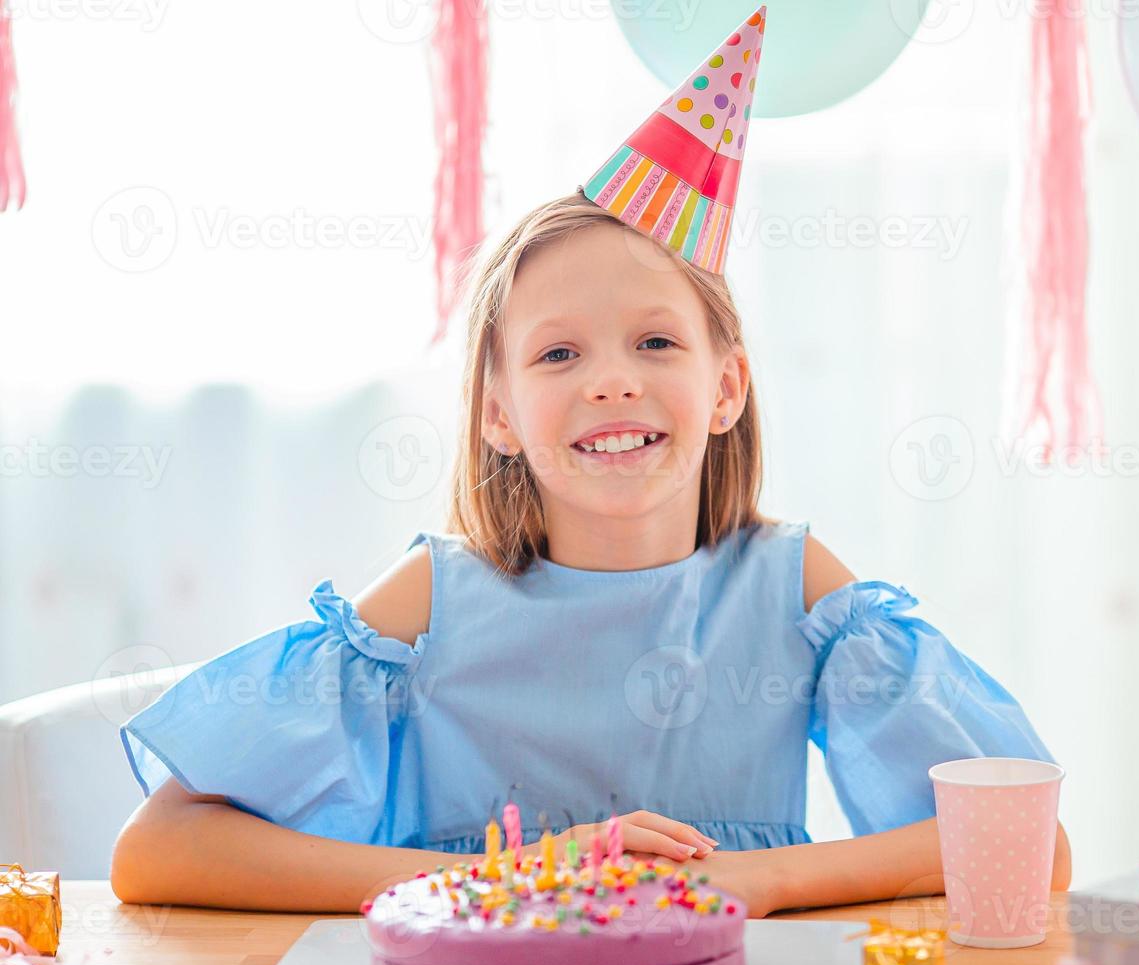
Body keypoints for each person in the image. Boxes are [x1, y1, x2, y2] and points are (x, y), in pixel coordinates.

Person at [110, 6, 1068, 915]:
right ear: (500, 414)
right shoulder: (432, 600)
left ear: (726, 388)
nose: (611, 383)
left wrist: (764, 881)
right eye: (560, 354)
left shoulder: (792, 590)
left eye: (655, 343)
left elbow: (1033, 844)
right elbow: (159, 851)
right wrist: (507, 877)